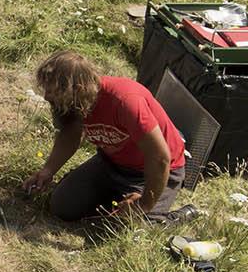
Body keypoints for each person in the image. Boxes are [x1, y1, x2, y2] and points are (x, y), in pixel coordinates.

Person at [23, 50, 190, 221]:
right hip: (111, 165)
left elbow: (160, 158)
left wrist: (144, 204)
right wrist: (48, 170)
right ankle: (117, 200)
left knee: (131, 228)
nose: (46, 97)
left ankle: (179, 216)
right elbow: (71, 132)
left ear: (78, 89)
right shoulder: (78, 101)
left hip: (154, 170)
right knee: (62, 206)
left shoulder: (125, 101)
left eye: (53, 92)